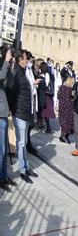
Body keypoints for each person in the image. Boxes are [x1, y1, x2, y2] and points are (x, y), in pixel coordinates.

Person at [9, 49, 39, 183]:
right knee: (21, 143)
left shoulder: (25, 73)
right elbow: (11, 94)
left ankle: (26, 167)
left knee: (24, 142)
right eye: (26, 59)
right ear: (20, 59)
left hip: (26, 112)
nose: (28, 61)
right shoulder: (16, 74)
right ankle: (22, 170)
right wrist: (12, 110)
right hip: (19, 113)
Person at [0, 48, 16, 191]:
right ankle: (1, 179)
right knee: (1, 150)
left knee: (4, 150)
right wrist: (5, 62)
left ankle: (4, 176)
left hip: (3, 114)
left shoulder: (4, 67)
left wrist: (10, 66)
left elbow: (9, 84)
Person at [57, 76, 75, 144]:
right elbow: (73, 98)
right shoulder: (70, 90)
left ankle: (62, 137)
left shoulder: (61, 87)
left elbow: (58, 96)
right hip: (69, 108)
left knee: (64, 122)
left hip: (62, 107)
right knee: (69, 122)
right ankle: (66, 136)